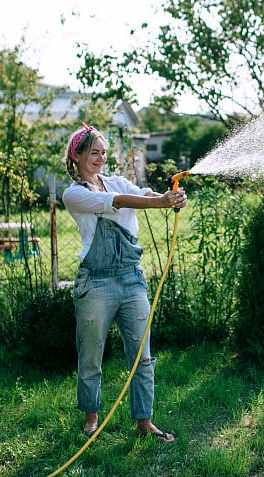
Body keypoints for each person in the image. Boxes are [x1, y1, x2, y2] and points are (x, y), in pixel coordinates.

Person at [62, 123, 186, 442]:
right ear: (77, 156)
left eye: (103, 152)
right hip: (95, 284)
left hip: (132, 280)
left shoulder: (115, 180)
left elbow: (139, 193)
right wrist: (160, 204)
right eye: (94, 153)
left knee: (142, 356)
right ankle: (91, 417)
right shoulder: (74, 194)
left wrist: (165, 197)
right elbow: (117, 201)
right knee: (91, 355)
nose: (100, 158)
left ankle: (144, 421)